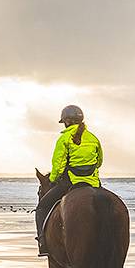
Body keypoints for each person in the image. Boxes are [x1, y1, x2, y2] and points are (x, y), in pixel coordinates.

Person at [35, 104, 103, 256]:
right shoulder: (93, 138)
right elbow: (99, 162)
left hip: (70, 183)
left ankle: (43, 243)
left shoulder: (64, 139)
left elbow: (58, 165)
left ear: (66, 121)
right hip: (93, 183)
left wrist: (52, 179)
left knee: (42, 208)